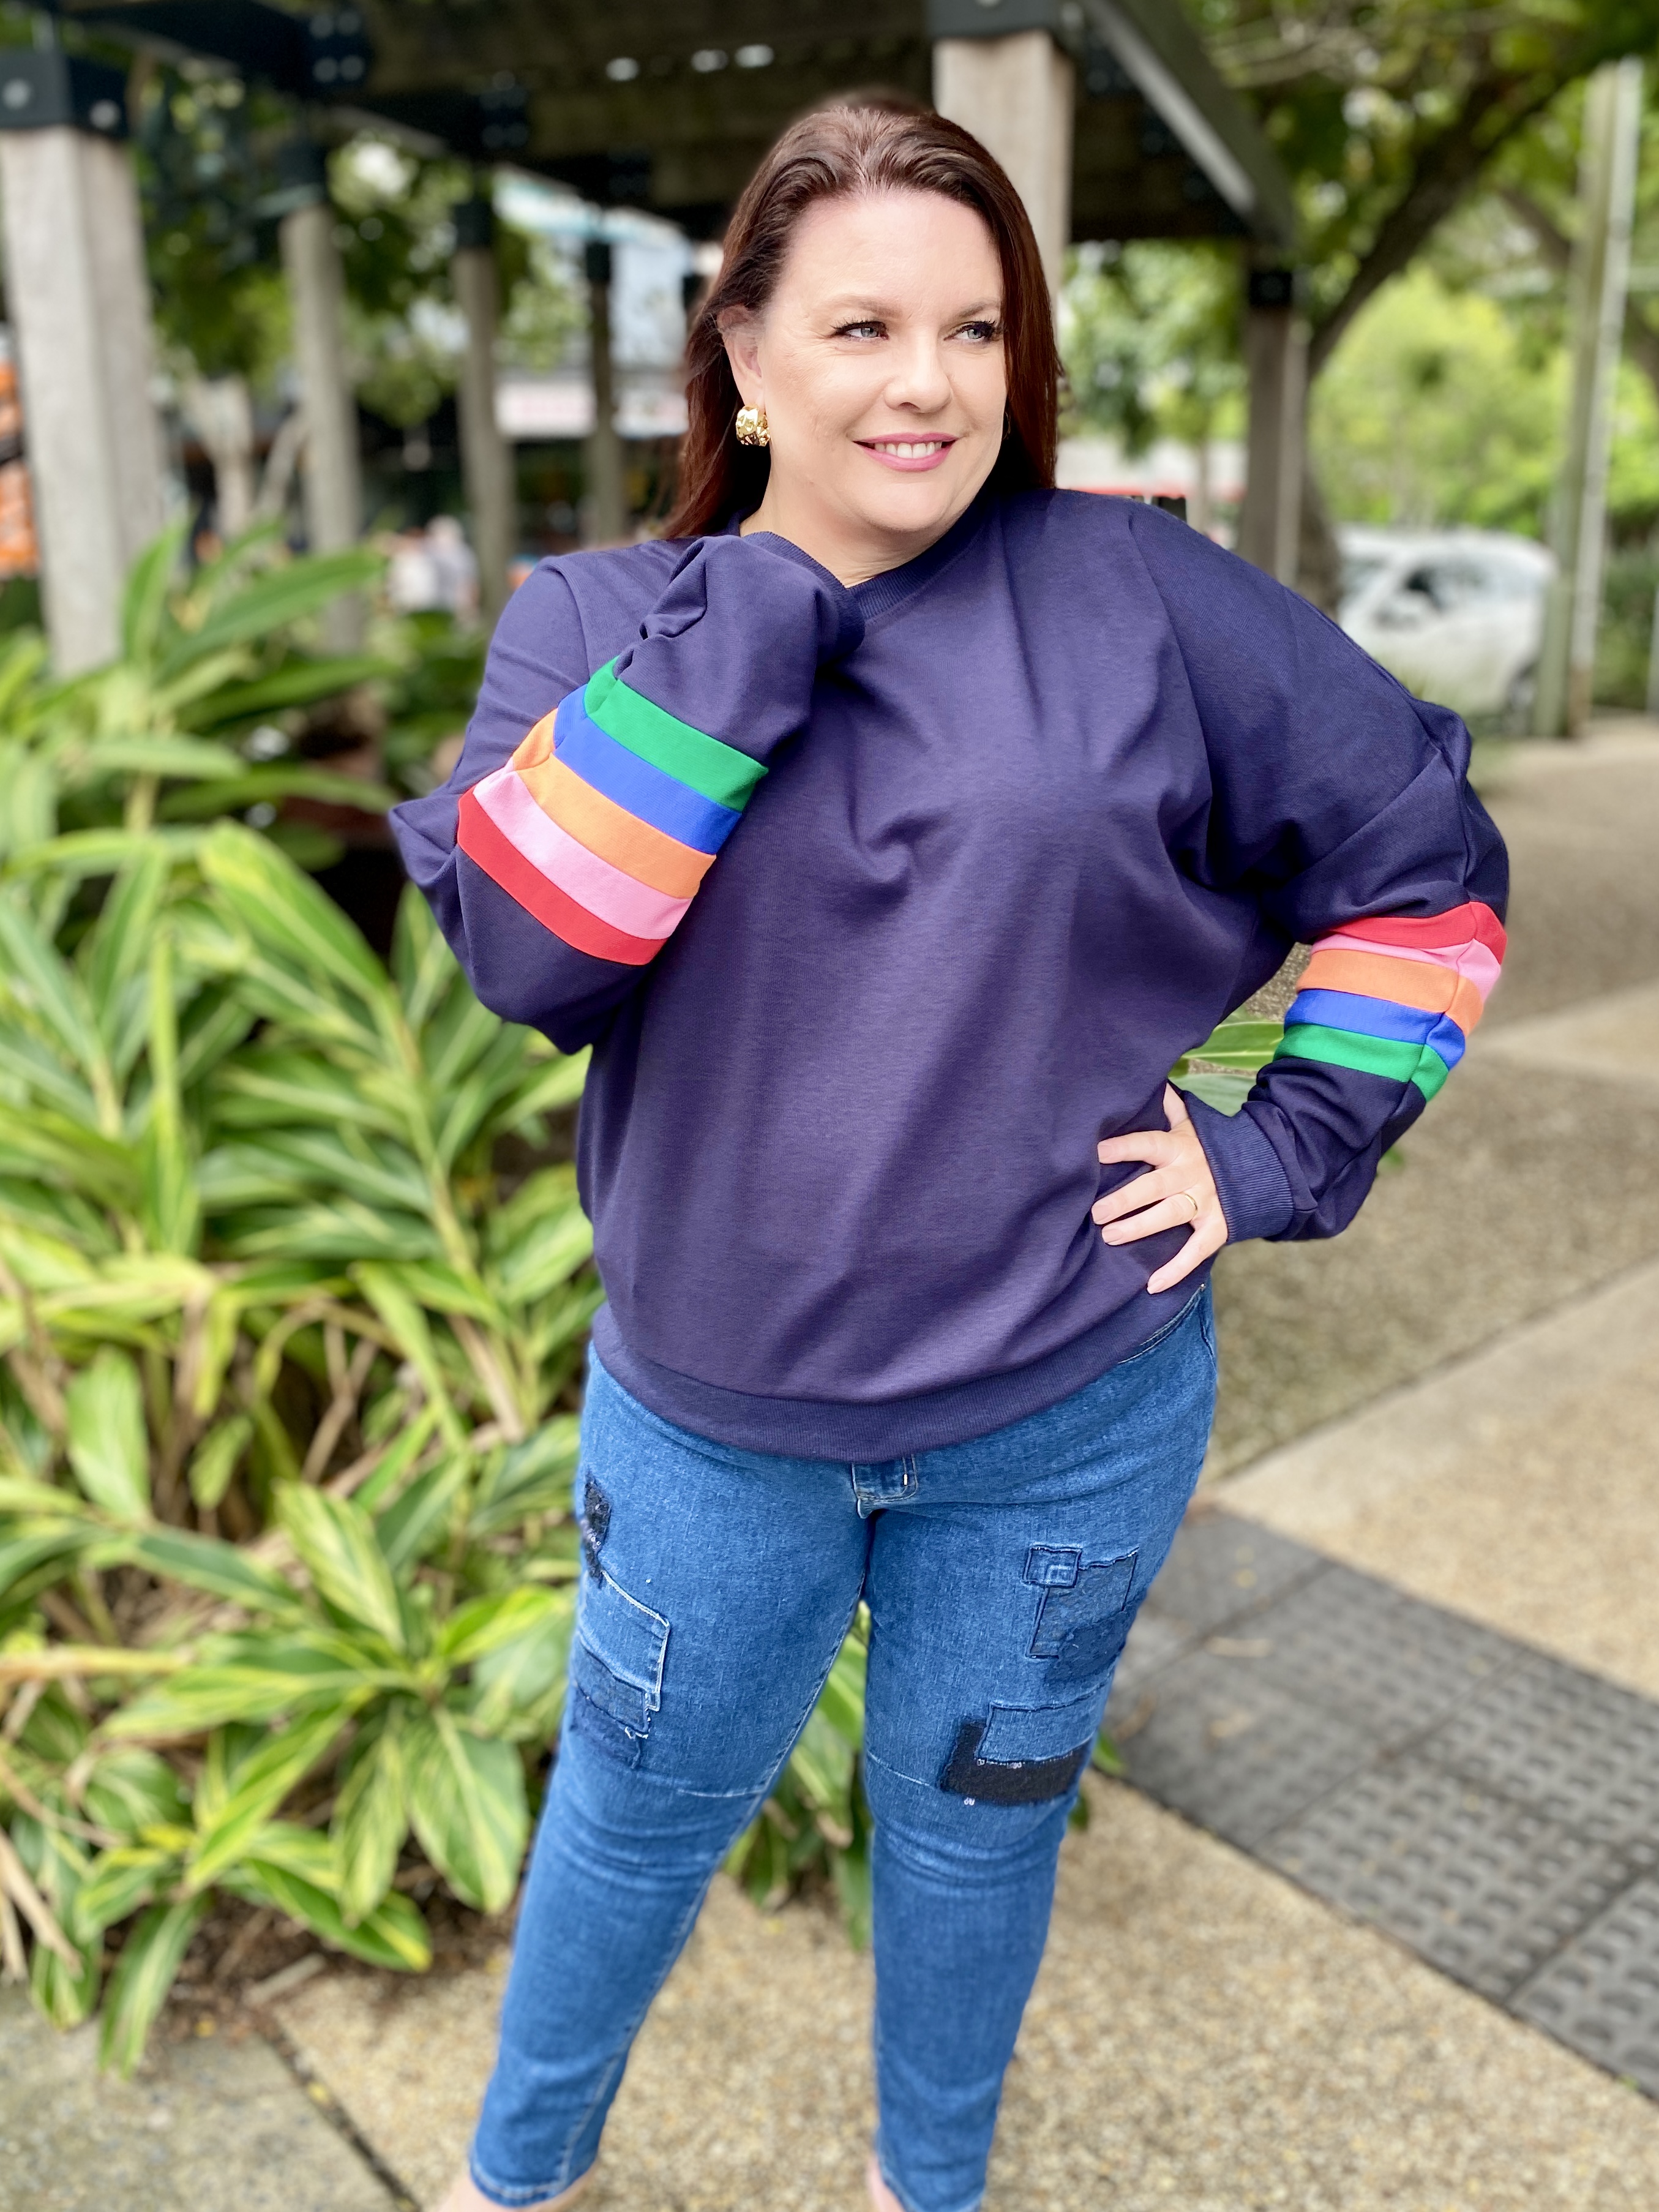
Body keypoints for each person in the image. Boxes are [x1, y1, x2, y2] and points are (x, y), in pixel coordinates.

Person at [391, 102, 1506, 2212]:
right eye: (864, 327)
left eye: (976, 329)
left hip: (1066, 1420)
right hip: (714, 1432)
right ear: (743, 351)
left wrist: (1279, 1149)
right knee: (630, 1826)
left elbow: (1425, 870)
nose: (929, 381)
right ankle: (516, 2181)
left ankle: (932, 2189)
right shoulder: (601, 616)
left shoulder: (1138, 593)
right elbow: (534, 952)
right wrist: (761, 609)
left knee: (978, 1845)